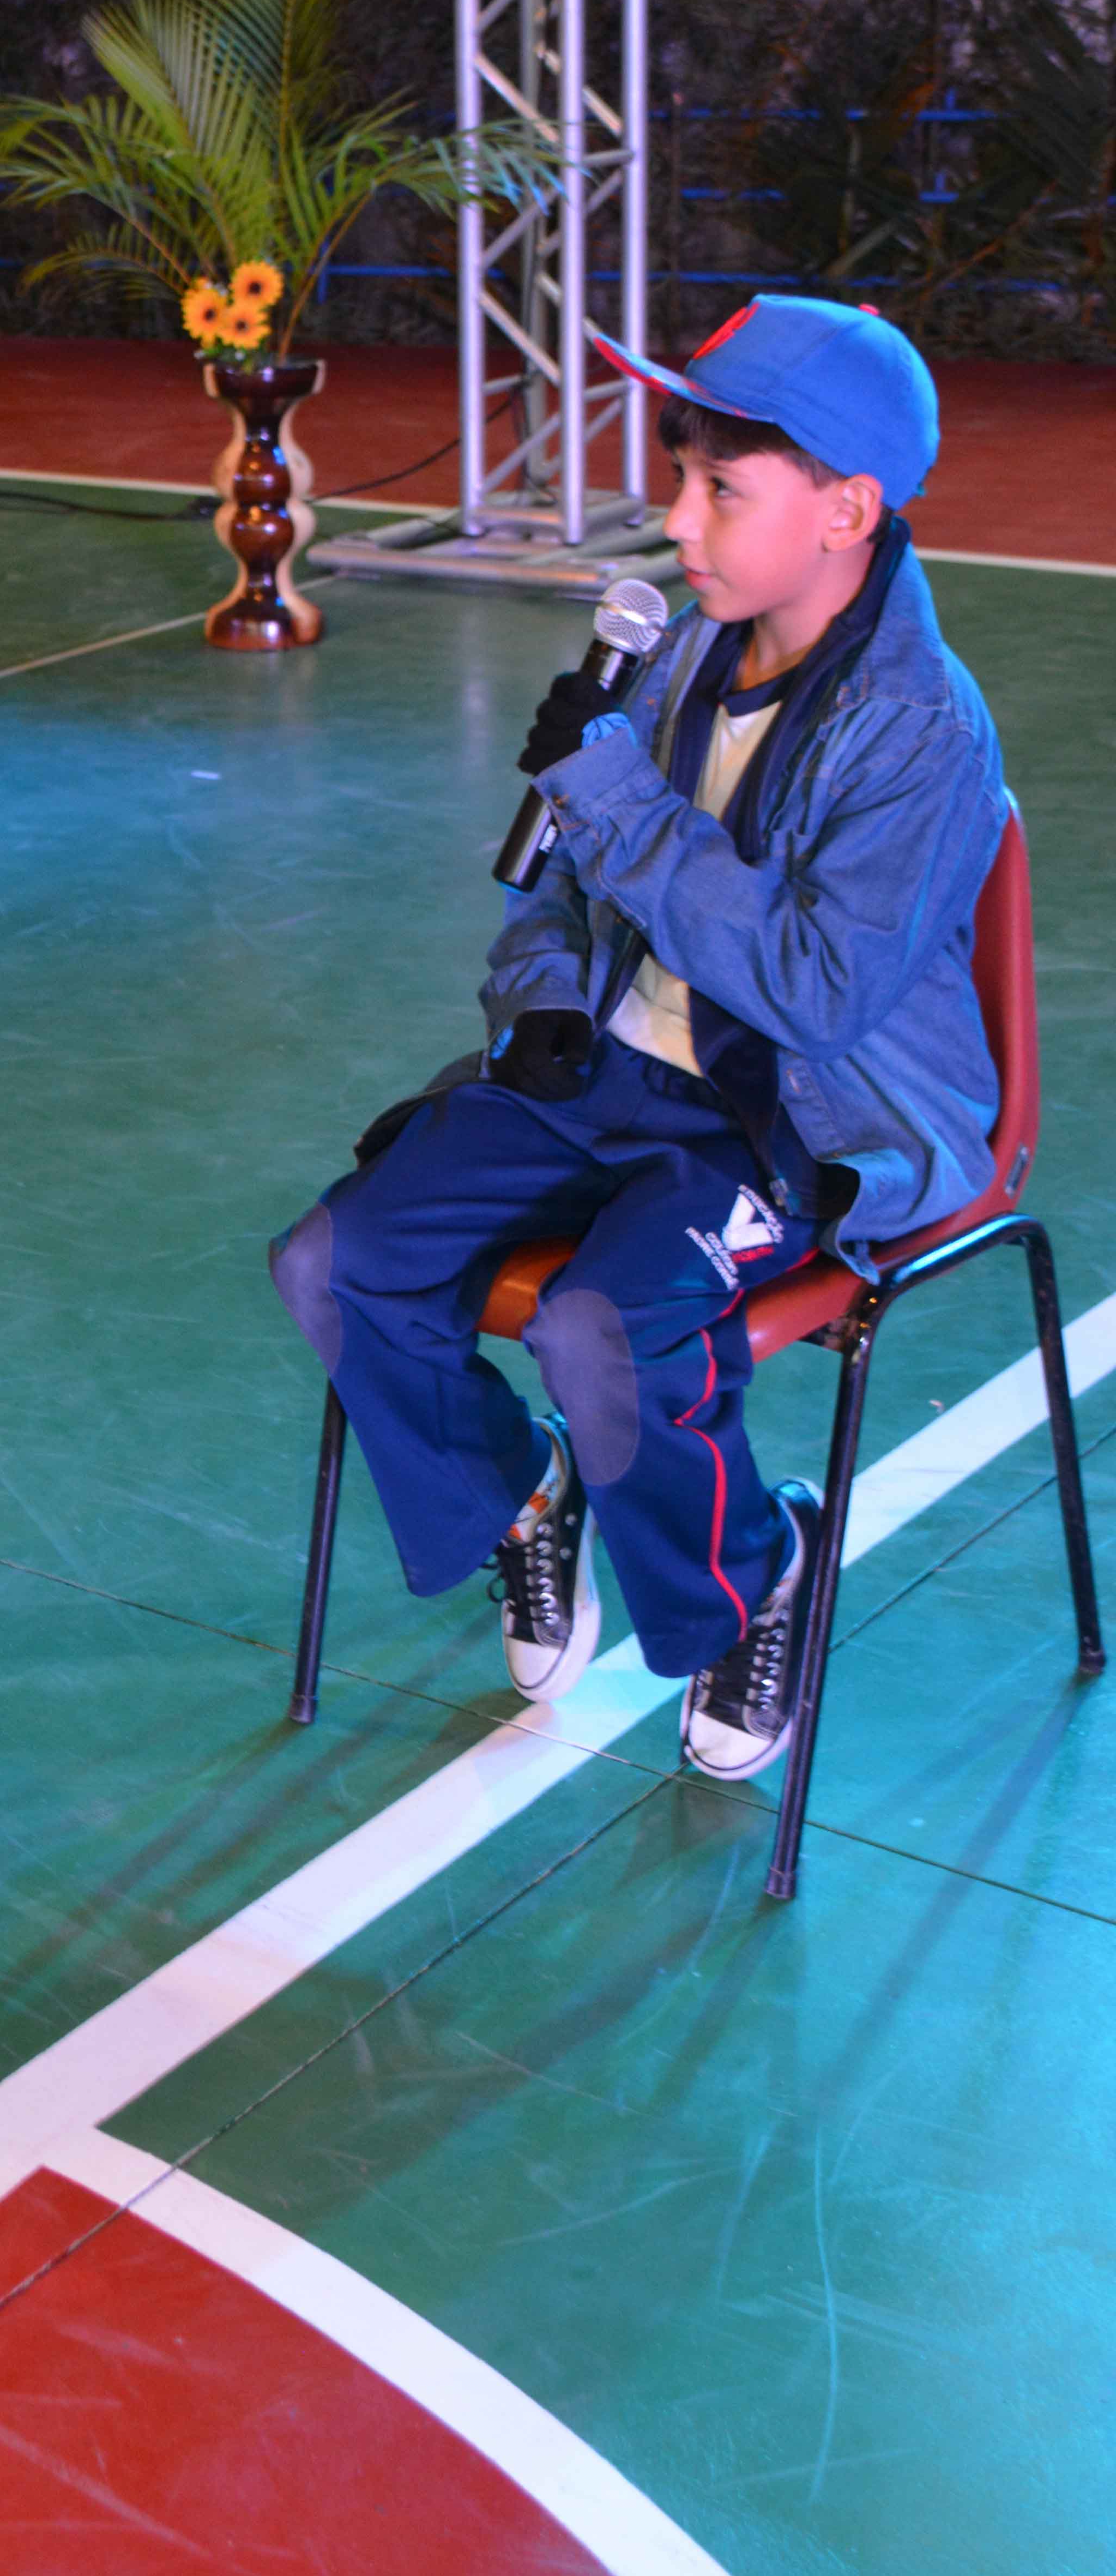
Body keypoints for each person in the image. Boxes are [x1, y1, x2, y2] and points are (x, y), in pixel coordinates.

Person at [269, 299, 1006, 1779]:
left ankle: (754, 1580)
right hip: (600, 1074)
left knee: (597, 1325)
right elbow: (552, 896)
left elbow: (815, 992)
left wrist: (617, 803)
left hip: (788, 1118)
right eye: (680, 480)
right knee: (333, 1262)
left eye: (719, 489)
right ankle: (519, 1496)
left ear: (847, 512)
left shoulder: (921, 730)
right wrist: (544, 1002)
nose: (675, 521)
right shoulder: (673, 660)